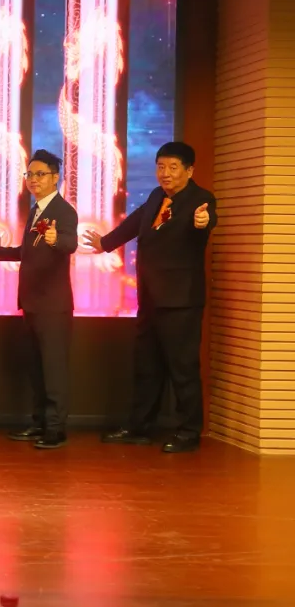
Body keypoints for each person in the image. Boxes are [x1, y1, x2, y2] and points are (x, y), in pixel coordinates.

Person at [84, 141, 217, 454]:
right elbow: (136, 222)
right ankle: (139, 427)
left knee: (182, 369)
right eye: (161, 166)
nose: (165, 173)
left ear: (189, 171)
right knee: (147, 366)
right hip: (150, 297)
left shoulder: (201, 199)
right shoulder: (158, 196)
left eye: (173, 167)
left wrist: (204, 222)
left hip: (180, 301)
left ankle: (189, 432)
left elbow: (206, 222)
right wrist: (105, 243)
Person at [0, 149, 78, 449]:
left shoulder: (64, 211)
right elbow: (29, 252)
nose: (33, 180)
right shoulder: (36, 210)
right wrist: (0, 252)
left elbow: (70, 243)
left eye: (40, 174)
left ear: (55, 177)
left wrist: (56, 239)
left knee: (53, 368)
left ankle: (56, 429)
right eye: (30, 174)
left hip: (53, 305)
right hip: (32, 302)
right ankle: (39, 423)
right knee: (37, 368)